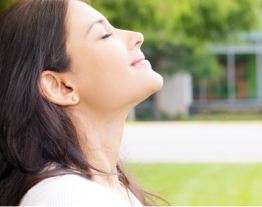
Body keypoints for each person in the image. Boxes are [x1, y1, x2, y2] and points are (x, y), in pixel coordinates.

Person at [0, 0, 170, 206]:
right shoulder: (62, 196)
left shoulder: (108, 189)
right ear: (61, 87)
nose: (137, 37)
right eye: (104, 34)